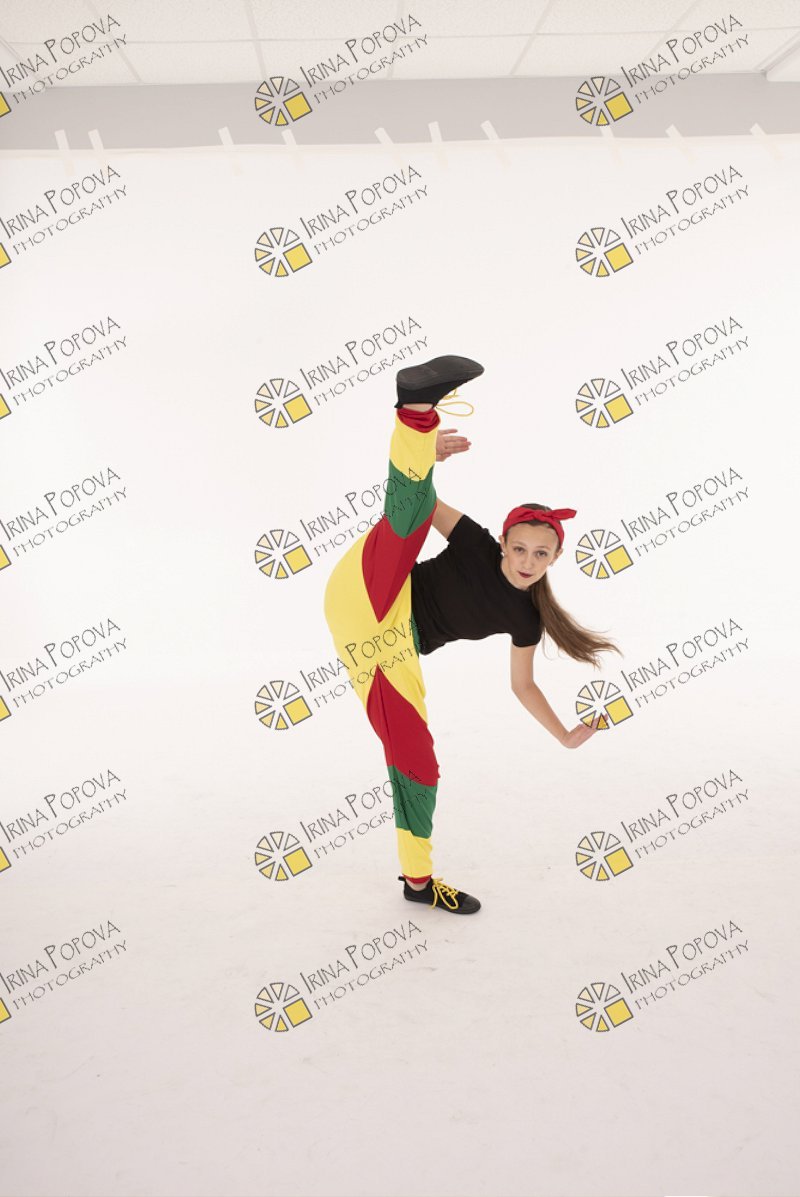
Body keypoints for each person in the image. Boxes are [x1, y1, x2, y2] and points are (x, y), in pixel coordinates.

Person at [322, 355, 621, 915]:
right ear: (504, 543)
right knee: (410, 511)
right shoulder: (478, 544)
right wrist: (423, 454)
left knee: (418, 765)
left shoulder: (527, 619)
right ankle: (415, 407)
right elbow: (418, 501)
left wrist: (563, 735)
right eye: (520, 548)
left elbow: (523, 686)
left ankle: (417, 883)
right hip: (373, 587)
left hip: (386, 649)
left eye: (541, 554)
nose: (527, 561)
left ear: (555, 558)